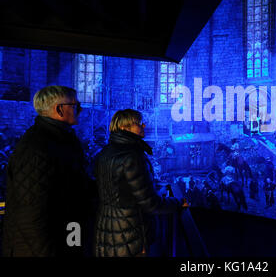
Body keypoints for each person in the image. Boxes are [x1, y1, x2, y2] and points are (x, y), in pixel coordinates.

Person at [2, 86, 95, 257]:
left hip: (67, 235)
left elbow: (75, 187)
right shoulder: (37, 146)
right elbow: (30, 213)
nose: (80, 110)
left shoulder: (63, 140)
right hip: (44, 247)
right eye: (75, 105)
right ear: (59, 109)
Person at [94, 109, 183, 257]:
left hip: (107, 230)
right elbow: (150, 204)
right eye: (138, 123)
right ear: (124, 128)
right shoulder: (132, 156)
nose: (143, 125)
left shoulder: (104, 153)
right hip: (130, 235)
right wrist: (178, 202)